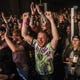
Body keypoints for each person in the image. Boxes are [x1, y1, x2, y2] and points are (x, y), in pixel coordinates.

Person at [21, 11, 58, 80]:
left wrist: (51, 20)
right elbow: (24, 35)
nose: (40, 40)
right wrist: (24, 20)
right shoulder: (36, 43)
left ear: (47, 39)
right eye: (38, 38)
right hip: (37, 73)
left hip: (47, 76)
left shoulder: (50, 46)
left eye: (42, 38)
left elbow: (55, 38)